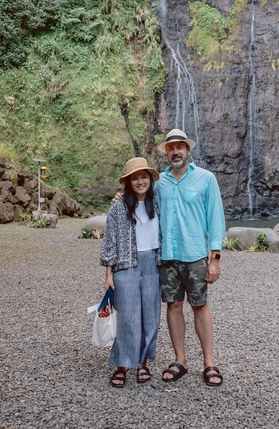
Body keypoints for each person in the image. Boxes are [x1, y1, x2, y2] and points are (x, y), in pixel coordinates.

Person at [154, 129, 226, 387]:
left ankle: (209, 362)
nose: (175, 152)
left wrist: (215, 257)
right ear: (166, 152)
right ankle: (180, 360)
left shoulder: (206, 179)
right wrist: (121, 198)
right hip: (168, 257)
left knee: (200, 306)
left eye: (179, 147)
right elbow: (143, 206)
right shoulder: (159, 183)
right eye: (170, 148)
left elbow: (216, 219)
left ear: (188, 150)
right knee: (173, 306)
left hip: (195, 255)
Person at [99, 157, 162, 388]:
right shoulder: (118, 207)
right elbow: (110, 242)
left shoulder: (157, 203)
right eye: (135, 178)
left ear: (150, 179)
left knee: (151, 316)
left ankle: (143, 362)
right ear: (128, 182)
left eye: (143, 177)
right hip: (125, 265)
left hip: (153, 265)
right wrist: (108, 274)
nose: (140, 181)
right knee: (127, 317)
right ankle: (123, 365)